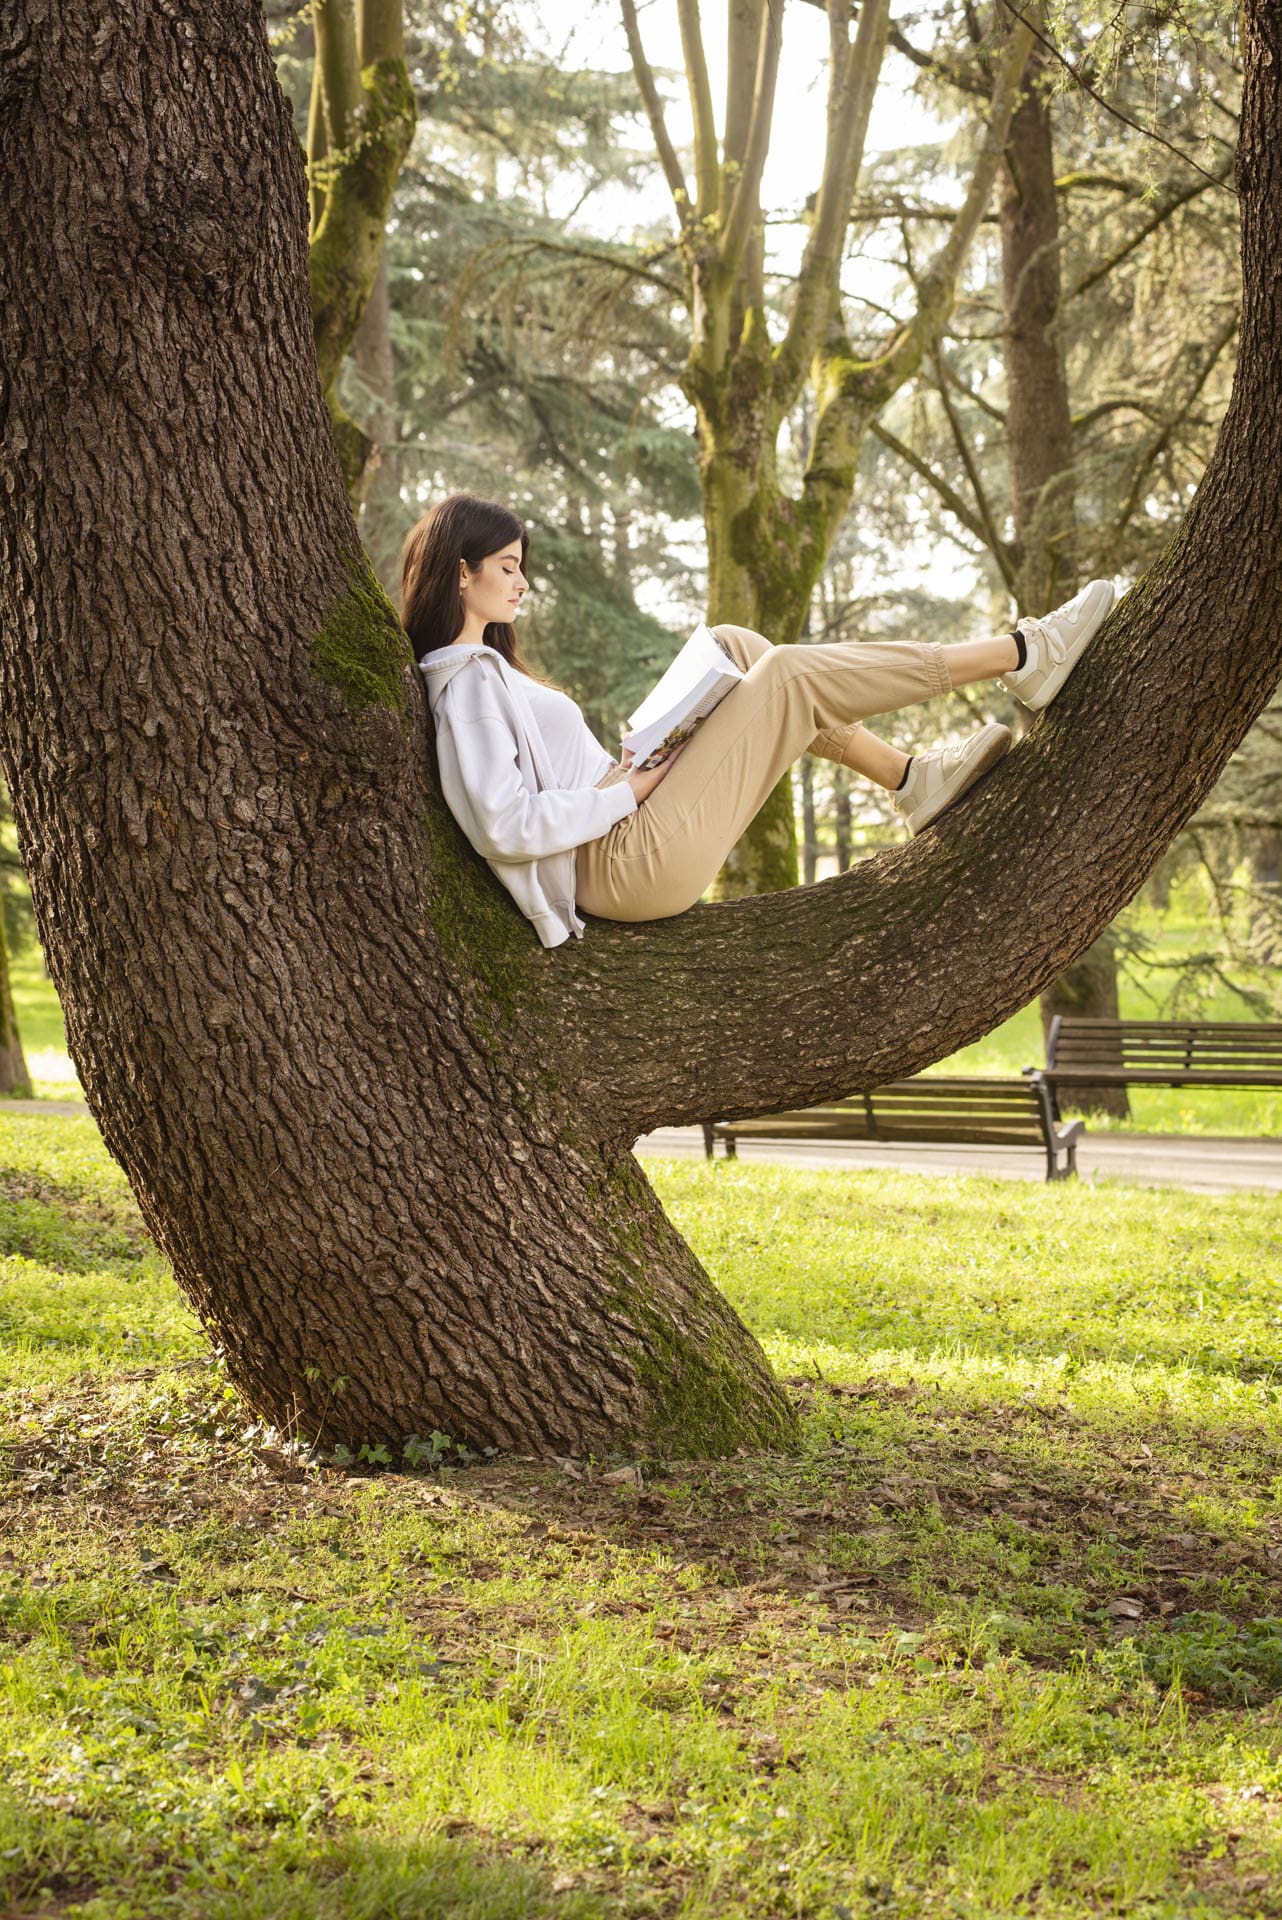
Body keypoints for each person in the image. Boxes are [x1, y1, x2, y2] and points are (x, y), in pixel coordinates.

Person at [407, 492, 1116, 950]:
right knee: (788, 675)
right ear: (461, 573)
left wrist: (630, 771)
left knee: (737, 647)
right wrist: (626, 793)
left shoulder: (485, 670)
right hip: (621, 865)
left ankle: (911, 781)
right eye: (507, 567)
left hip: (620, 830)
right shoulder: (465, 684)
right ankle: (1022, 655)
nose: (523, 582)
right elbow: (503, 826)